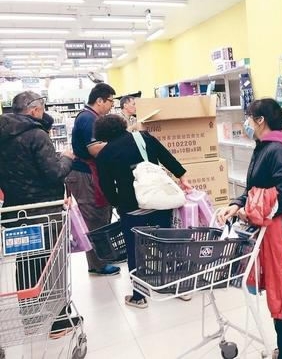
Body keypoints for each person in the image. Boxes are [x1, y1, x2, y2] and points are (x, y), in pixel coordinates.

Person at [217, 98, 282, 359]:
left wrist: (253, 212)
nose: (245, 123)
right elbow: (255, 188)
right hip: (276, 236)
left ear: (260, 120)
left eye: (248, 117)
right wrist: (236, 205)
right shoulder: (264, 147)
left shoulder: (276, 151)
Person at [0, 91, 81, 338]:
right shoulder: (36, 135)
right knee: (52, 266)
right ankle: (59, 322)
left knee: (26, 264)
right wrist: (66, 158)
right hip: (45, 212)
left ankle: (30, 318)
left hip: (16, 212)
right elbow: (54, 173)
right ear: (35, 110)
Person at [94, 114, 193, 308]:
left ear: (102, 134)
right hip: (159, 201)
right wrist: (182, 177)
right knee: (168, 243)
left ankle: (139, 296)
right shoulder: (143, 137)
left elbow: (106, 186)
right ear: (122, 125)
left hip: (132, 207)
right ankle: (179, 287)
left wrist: (117, 203)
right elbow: (166, 157)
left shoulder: (105, 154)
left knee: (135, 250)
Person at [65, 83, 121, 276]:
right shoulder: (88, 119)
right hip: (86, 175)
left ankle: (99, 260)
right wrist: (118, 145)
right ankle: (98, 264)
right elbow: (95, 149)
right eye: (110, 101)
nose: (112, 106)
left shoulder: (91, 117)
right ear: (100, 100)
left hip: (89, 173)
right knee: (95, 217)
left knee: (99, 215)